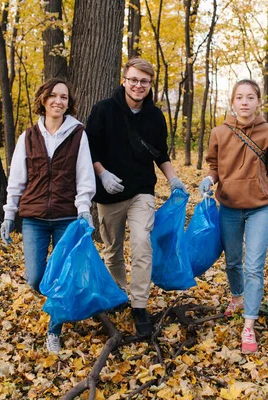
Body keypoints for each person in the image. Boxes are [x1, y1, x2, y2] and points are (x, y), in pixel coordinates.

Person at [85, 57, 187, 338]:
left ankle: (139, 305)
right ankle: (118, 295)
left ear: (150, 84)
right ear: (124, 80)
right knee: (112, 249)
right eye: (133, 80)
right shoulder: (103, 110)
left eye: (144, 81)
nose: (138, 85)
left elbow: (160, 154)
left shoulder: (155, 116)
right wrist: (102, 174)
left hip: (142, 191)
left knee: (142, 244)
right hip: (109, 193)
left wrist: (174, 179)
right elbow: (89, 148)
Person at [0, 77, 96, 354]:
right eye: (53, 95)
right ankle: (60, 304)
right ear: (43, 99)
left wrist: (84, 211)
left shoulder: (78, 134)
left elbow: (84, 177)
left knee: (61, 276)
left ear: (69, 103)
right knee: (34, 278)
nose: (58, 101)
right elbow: (17, 179)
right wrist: (9, 214)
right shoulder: (28, 136)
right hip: (34, 219)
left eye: (64, 97)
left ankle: (55, 328)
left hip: (67, 218)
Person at [198, 79, 268, 354]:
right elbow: (215, 166)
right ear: (233, 101)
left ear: (258, 101)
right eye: (240, 97)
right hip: (228, 206)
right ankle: (237, 298)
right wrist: (209, 179)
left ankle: (248, 324)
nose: (245, 102)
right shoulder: (219, 132)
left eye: (250, 97)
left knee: (253, 266)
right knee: (233, 262)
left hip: (260, 206)